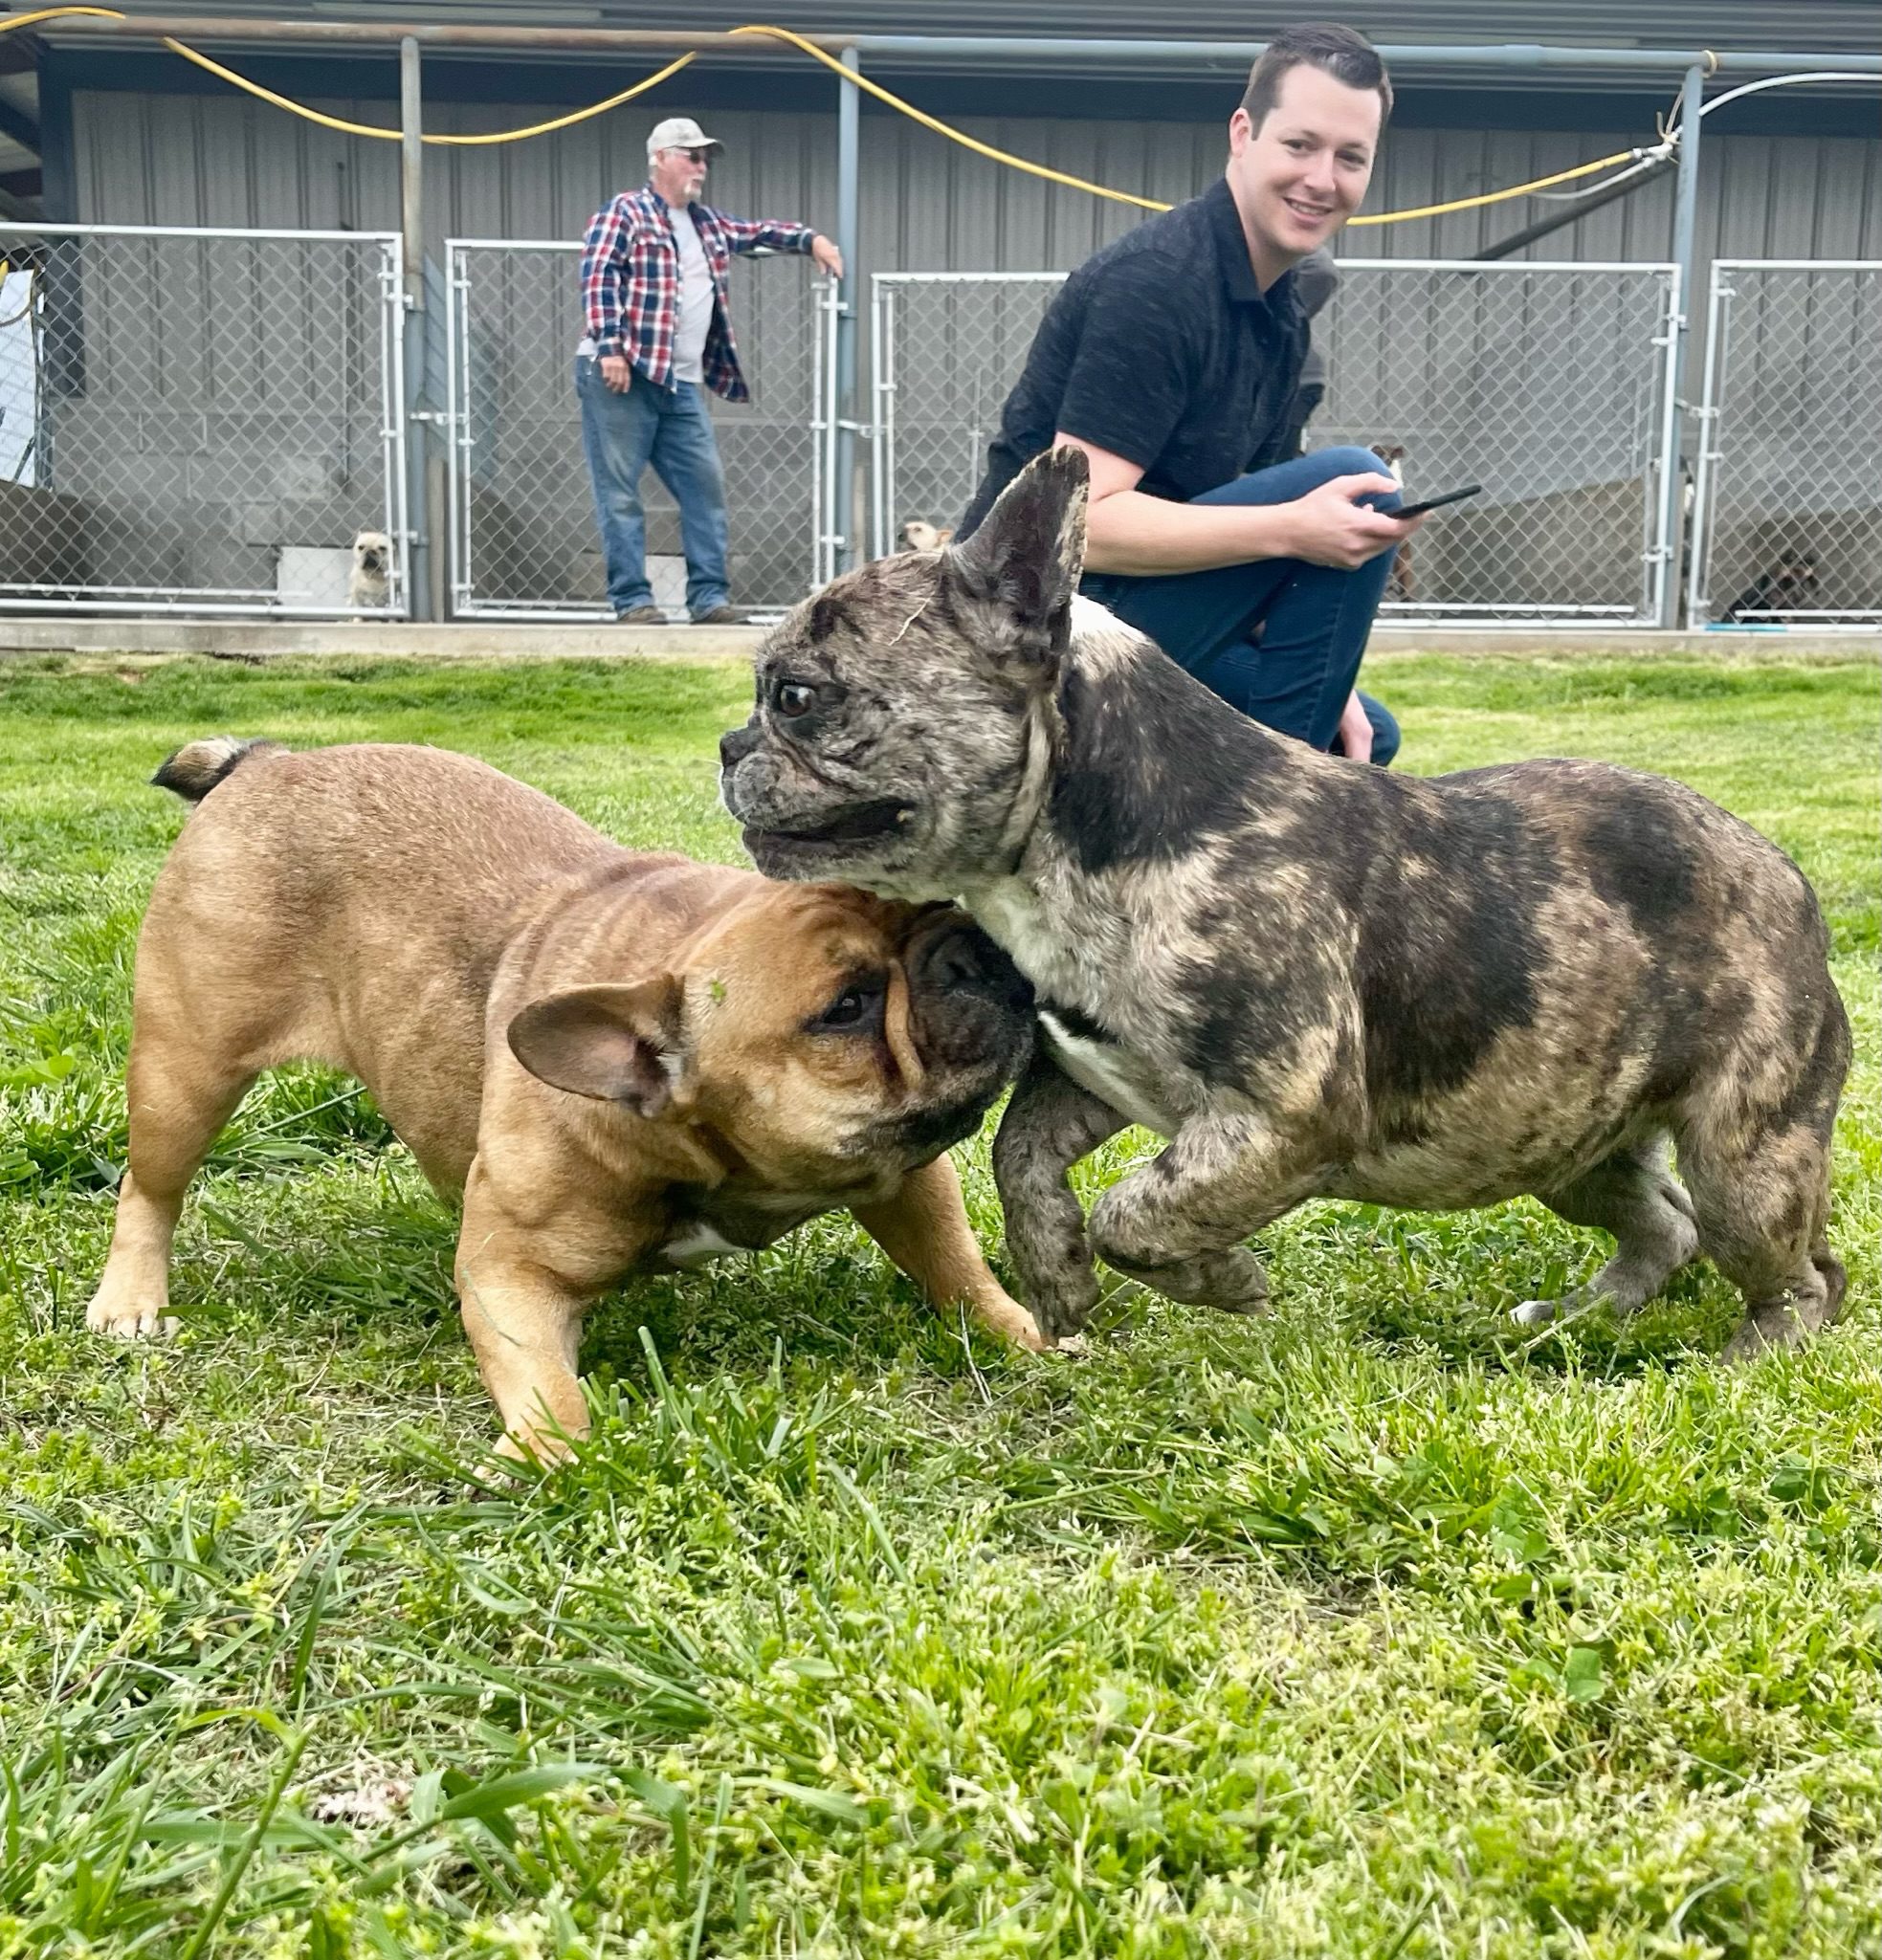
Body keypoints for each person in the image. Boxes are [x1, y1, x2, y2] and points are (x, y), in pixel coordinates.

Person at [957, 25, 1417, 763]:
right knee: (1357, 484)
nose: (1321, 178)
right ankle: (1285, 839)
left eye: (1349, 157)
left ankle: (1269, 803)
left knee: (1361, 730)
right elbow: (1084, 525)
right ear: (1243, 134)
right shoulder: (1160, 284)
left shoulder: (1281, 314)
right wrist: (1294, 530)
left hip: (1122, 616)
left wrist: (1330, 681)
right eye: (1299, 145)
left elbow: (1241, 541)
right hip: (1015, 637)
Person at [577, 116, 844, 625]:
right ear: (659, 158)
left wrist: (812, 240)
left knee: (705, 488)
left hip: (679, 384)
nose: (701, 166)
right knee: (620, 493)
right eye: (691, 155)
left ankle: (709, 600)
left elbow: (759, 231)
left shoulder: (707, 224)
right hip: (621, 375)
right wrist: (610, 346)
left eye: (705, 158)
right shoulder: (625, 212)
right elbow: (599, 276)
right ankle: (633, 602)